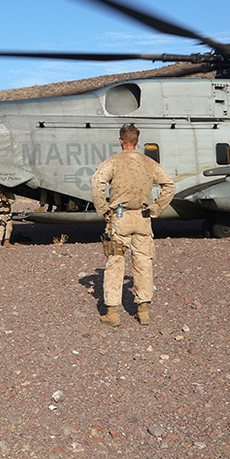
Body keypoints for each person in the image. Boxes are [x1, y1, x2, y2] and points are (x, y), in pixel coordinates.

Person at [91, 124, 175, 327]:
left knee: (115, 264)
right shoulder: (149, 163)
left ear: (121, 140)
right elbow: (169, 186)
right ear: (137, 141)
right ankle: (143, 311)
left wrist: (103, 209)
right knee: (144, 264)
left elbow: (97, 182)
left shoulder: (113, 162)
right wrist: (155, 209)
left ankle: (112, 313)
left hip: (119, 219)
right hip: (142, 219)